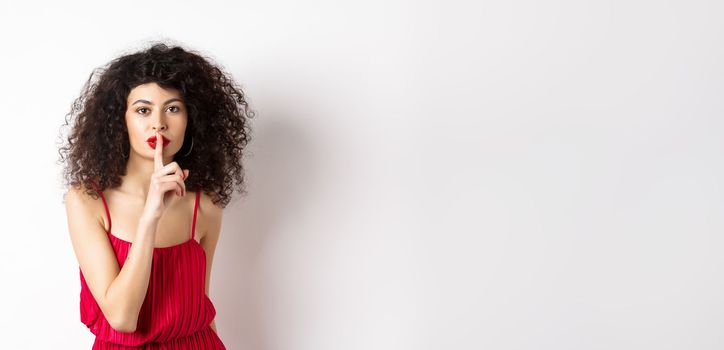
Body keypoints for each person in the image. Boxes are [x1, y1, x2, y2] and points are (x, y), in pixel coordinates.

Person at [58, 41, 255, 349]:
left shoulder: (205, 206)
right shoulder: (87, 201)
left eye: (173, 108)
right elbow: (122, 318)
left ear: (192, 120)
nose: (159, 123)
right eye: (143, 110)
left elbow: (201, 308)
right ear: (120, 119)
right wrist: (150, 217)